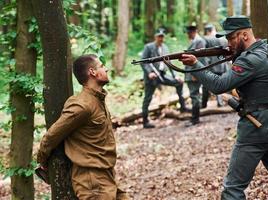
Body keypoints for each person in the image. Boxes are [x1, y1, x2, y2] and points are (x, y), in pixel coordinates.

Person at [179, 16, 268, 200]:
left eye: (231, 38)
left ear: (244, 35)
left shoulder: (249, 60)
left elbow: (219, 85)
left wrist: (196, 64)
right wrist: (235, 55)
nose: (228, 42)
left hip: (256, 130)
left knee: (232, 189)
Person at [37, 54, 128, 200]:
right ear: (92, 72)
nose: (106, 69)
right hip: (92, 182)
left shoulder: (98, 99)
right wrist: (43, 161)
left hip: (107, 176)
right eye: (102, 66)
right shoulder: (81, 105)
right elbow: (51, 136)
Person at [141, 28, 188, 129]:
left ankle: (183, 107)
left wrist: (176, 75)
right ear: (155, 37)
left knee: (179, 83)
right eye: (159, 36)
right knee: (147, 98)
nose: (161, 39)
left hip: (162, 74)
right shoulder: (148, 47)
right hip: (152, 77)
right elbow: (143, 62)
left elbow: (169, 63)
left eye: (162, 36)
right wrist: (150, 73)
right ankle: (145, 121)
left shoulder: (165, 48)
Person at [184, 22, 207, 126]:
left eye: (189, 33)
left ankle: (195, 119)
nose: (187, 35)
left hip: (193, 73)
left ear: (193, 32)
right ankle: (195, 118)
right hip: (192, 72)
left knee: (195, 96)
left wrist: (195, 73)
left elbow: (200, 58)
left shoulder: (199, 41)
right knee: (194, 95)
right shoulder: (196, 41)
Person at [202, 23, 228, 108]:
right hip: (222, 65)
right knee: (219, 84)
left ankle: (204, 104)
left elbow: (203, 54)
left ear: (207, 31)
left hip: (211, 66)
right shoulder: (223, 39)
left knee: (206, 85)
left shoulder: (206, 39)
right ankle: (220, 102)